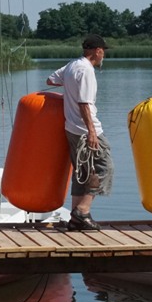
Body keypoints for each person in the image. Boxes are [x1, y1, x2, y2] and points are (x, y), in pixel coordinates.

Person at [46, 34, 114, 230]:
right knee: (104, 167)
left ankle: (75, 220)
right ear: (98, 51)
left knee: (81, 172)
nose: (103, 57)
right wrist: (92, 133)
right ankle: (82, 211)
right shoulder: (86, 71)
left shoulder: (72, 66)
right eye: (103, 53)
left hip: (72, 128)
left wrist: (70, 86)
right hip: (87, 129)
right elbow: (84, 103)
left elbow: (51, 80)